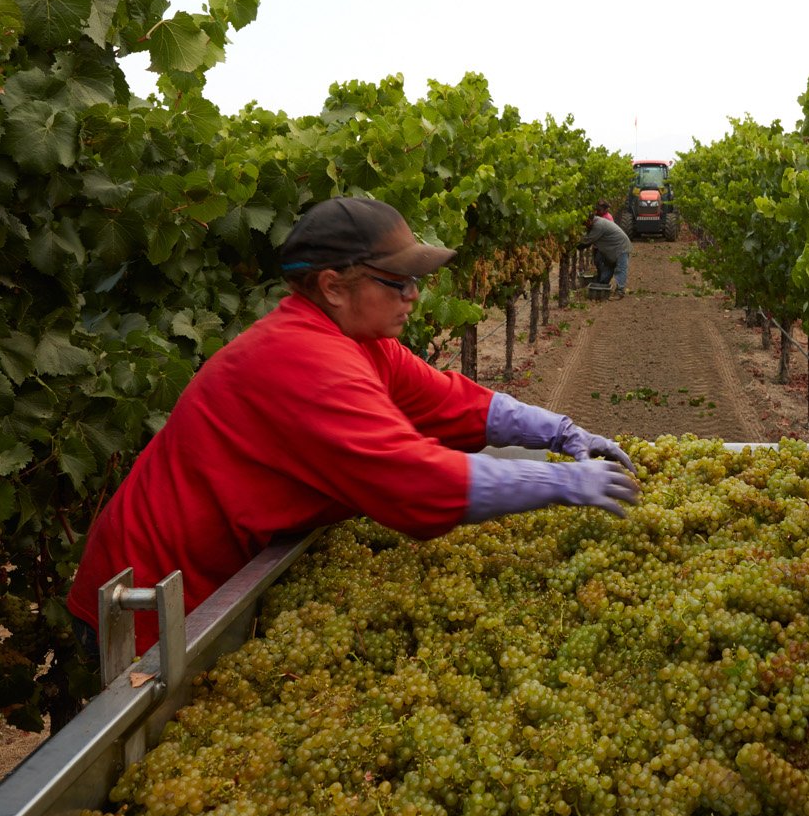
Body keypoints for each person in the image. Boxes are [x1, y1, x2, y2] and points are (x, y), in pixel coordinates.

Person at [67, 197, 639, 653]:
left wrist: (562, 432)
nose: (415, 294)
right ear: (334, 286)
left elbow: (454, 401)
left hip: (213, 576)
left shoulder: (360, 343)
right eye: (397, 281)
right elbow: (413, 479)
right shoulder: (303, 360)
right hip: (150, 598)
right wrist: (560, 484)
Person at [580, 209, 632, 299]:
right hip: (611, 250)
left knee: (620, 269)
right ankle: (602, 286)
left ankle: (620, 292)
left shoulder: (598, 225)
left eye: (585, 223)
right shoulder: (595, 223)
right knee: (608, 268)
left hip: (621, 247)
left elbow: (587, 241)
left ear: (589, 220)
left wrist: (574, 246)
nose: (584, 225)